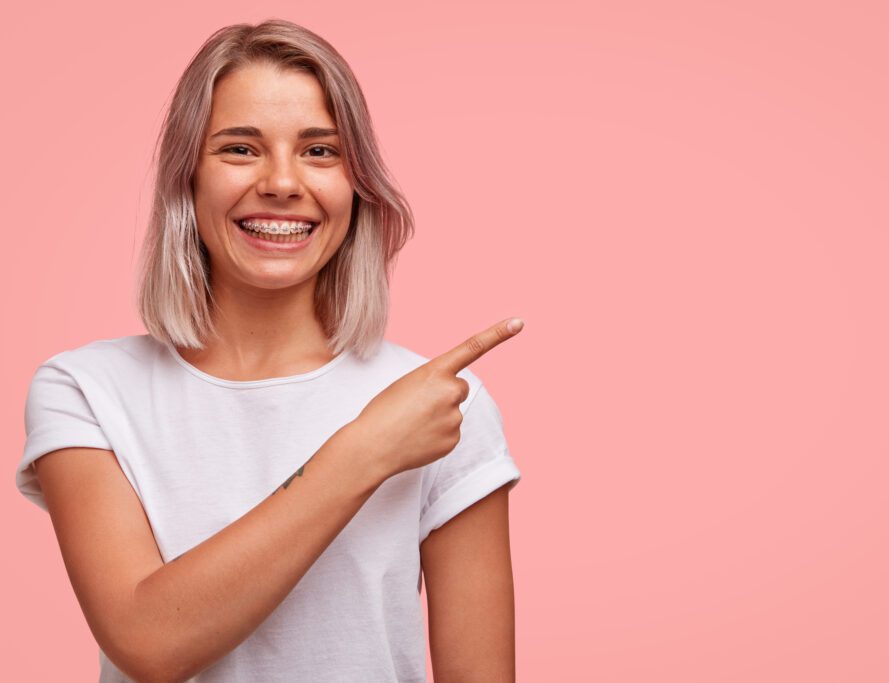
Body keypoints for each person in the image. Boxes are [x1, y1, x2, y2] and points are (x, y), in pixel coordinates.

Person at [15, 19, 524, 683]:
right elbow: (148, 640)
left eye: (319, 151)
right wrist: (365, 449)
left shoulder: (440, 406)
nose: (283, 182)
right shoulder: (86, 391)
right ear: (187, 179)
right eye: (240, 149)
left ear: (358, 185)